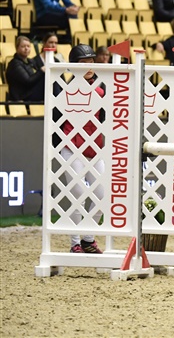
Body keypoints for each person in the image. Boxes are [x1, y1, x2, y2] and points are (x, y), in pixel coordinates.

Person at [63, 44, 105, 254]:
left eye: (91, 61)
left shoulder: (101, 89)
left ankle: (88, 239)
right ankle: (75, 243)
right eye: (83, 62)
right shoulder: (64, 88)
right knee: (77, 194)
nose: (89, 66)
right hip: (72, 146)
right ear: (74, 66)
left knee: (102, 195)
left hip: (94, 148)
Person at [5, 35, 45, 102]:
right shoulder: (14, 64)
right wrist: (41, 71)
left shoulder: (31, 61)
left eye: (28, 46)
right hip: (22, 96)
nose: (26, 48)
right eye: (23, 46)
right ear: (17, 48)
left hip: (31, 92)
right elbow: (28, 81)